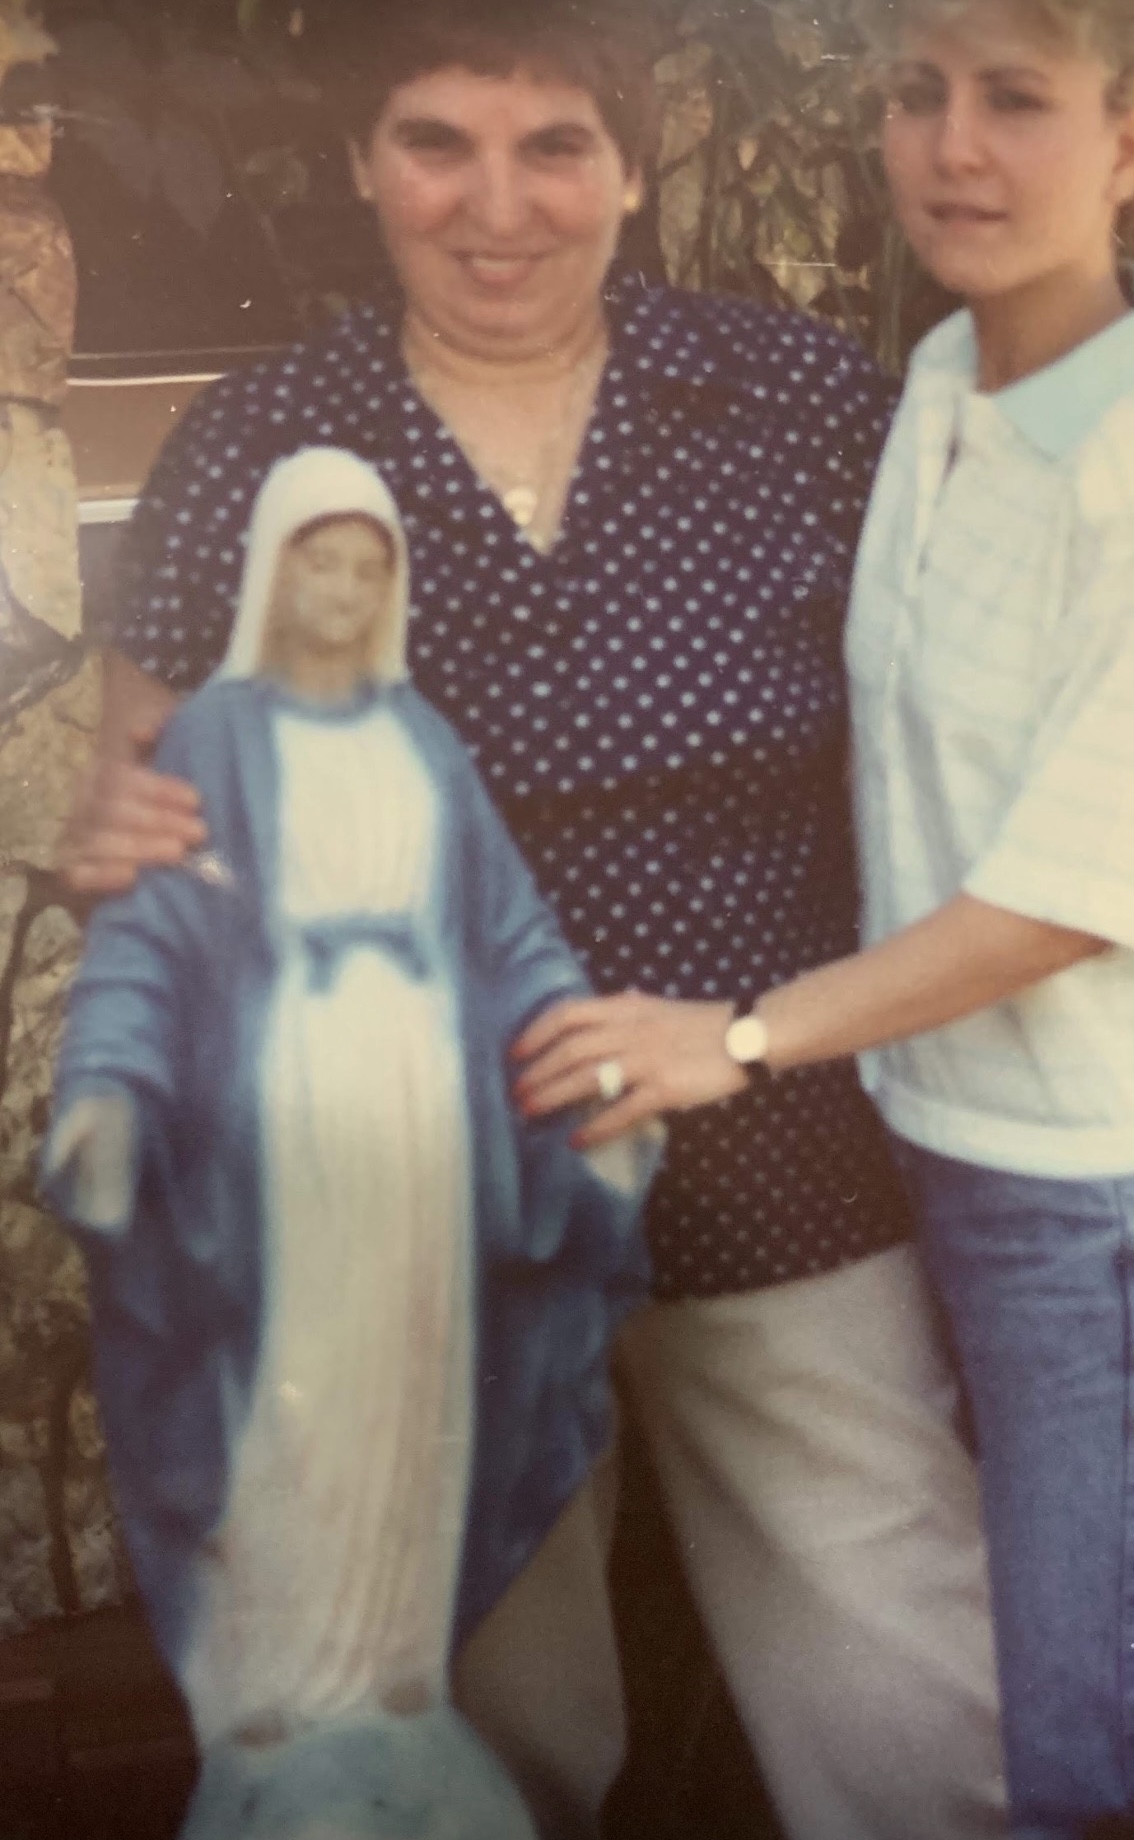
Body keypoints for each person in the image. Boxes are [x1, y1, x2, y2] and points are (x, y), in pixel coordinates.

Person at [61, 2, 1006, 1835]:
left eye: (555, 145)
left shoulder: (805, 404)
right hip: (429, 1201)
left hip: (780, 1129)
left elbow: (974, 739)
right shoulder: (263, 442)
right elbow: (156, 815)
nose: (496, 202)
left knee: (903, 1683)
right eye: (435, 141)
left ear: (632, 169)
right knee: (489, 1698)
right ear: (360, 164)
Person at [518, 0, 1134, 1833]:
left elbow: (1067, 891)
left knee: (1092, 1743)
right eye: (916, 94)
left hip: (1098, 1191)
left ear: (1131, 141)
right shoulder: (942, 383)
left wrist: (728, 1038)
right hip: (937, 1143)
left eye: (1017, 102)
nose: (951, 146)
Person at [45, 445, 655, 1840]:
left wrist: (586, 1068)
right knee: (288, 1387)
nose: (339, 586)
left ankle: (383, 1669)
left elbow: (512, 939)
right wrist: (111, 1087)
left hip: (426, 1132)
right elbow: (151, 937)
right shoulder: (213, 736)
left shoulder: (420, 740)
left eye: (366, 565)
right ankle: (276, 1673)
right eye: (317, 559)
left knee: (410, 1395)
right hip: (285, 1113)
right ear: (272, 572)